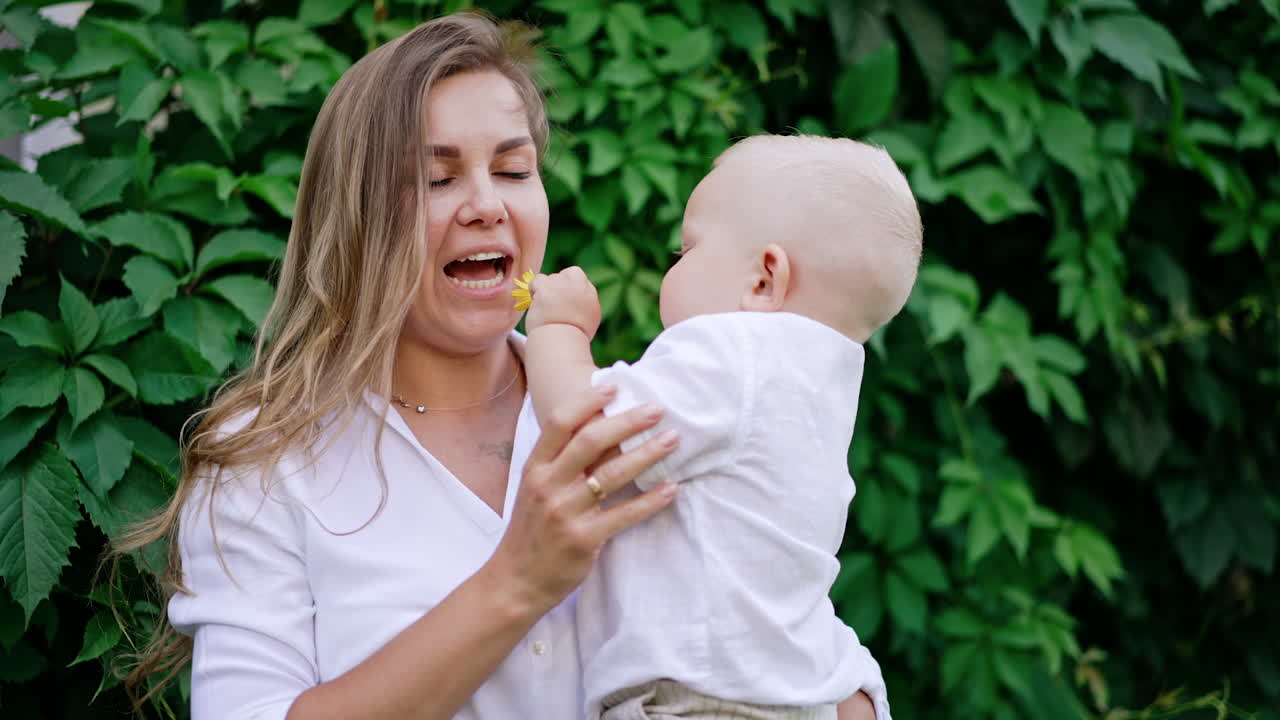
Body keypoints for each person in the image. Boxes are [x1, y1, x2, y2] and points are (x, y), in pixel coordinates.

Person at [117, 13, 888, 720]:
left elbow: (782, 615)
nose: (487, 205)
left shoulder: (642, 411)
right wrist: (515, 584)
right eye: (438, 177)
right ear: (354, 217)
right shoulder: (266, 462)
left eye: (514, 171)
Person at [522, 135, 921, 720]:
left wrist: (557, 328)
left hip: (702, 701)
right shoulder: (818, 389)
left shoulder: (738, 354)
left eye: (686, 252)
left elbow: (583, 431)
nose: (672, 268)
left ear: (764, 279)